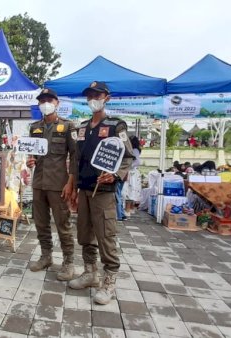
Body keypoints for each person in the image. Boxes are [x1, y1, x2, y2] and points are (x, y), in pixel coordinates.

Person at [68, 81, 135, 305]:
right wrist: (74, 186)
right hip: (85, 189)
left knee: (106, 236)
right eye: (90, 95)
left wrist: (116, 175)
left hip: (104, 191)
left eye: (98, 95)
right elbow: (76, 160)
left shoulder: (117, 126)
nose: (93, 99)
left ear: (107, 97)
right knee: (85, 234)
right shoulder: (82, 128)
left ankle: (109, 282)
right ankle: (90, 273)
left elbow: (127, 157)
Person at [24, 88, 77, 281]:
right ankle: (46, 256)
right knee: (41, 223)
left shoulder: (68, 126)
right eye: (42, 100)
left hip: (58, 184)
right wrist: (31, 161)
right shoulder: (34, 127)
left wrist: (71, 183)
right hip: (38, 183)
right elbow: (32, 153)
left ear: (57, 103)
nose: (46, 103)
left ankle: (68, 261)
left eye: (49, 100)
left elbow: (75, 156)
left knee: (63, 224)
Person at [124, 136, 142, 218]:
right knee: (132, 190)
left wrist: (129, 166)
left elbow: (138, 161)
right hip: (134, 172)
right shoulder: (136, 150)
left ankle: (128, 209)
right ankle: (130, 208)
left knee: (129, 191)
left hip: (131, 172)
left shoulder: (134, 150)